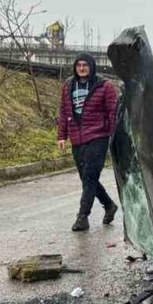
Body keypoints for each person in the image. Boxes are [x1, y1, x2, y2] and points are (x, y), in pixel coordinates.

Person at [57, 52, 119, 231]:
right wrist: (62, 136)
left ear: (91, 67)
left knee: (90, 177)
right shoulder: (68, 86)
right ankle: (109, 205)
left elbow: (113, 112)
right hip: (77, 138)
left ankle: (82, 217)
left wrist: (111, 133)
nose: (82, 68)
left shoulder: (105, 86)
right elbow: (64, 112)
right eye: (79, 65)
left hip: (98, 137)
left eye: (85, 65)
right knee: (86, 179)